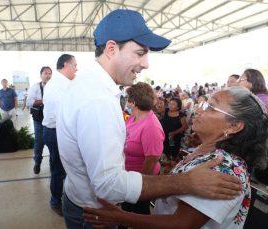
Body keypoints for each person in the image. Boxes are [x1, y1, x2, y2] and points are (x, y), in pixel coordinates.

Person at [56, 9, 242, 228]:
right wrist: (185, 182)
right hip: (93, 213)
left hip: (79, 199)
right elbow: (108, 184)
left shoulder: (87, 85)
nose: (146, 63)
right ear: (111, 49)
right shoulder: (98, 100)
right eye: (139, 52)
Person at [84, 86, 268, 229]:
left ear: (234, 126)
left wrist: (120, 217)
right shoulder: (203, 151)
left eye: (211, 107)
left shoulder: (224, 167)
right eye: (204, 103)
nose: (199, 109)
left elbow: (182, 224)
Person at [120, 82, 164, 224]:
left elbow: (152, 158)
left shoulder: (151, 126)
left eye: (127, 98)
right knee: (126, 209)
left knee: (140, 213)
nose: (126, 102)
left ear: (133, 102)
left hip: (140, 178)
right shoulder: (134, 117)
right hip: (128, 175)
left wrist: (141, 185)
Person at [42, 54, 77, 216]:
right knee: (59, 169)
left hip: (52, 131)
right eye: (74, 65)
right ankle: (56, 201)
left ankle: (59, 198)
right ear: (65, 65)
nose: (76, 69)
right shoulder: (61, 85)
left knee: (58, 167)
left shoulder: (55, 83)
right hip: (57, 132)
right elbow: (63, 114)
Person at [26, 66, 52, 174]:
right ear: (41, 75)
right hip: (39, 120)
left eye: (50, 73)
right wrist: (44, 101)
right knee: (39, 142)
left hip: (51, 120)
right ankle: (37, 163)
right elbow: (29, 103)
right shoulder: (35, 87)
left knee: (53, 143)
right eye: (46, 73)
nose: (48, 75)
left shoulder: (55, 86)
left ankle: (53, 164)